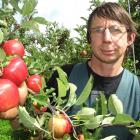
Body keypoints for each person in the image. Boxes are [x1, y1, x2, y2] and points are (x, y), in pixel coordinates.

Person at [47, 2, 139, 140]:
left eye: (116, 30)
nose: (107, 39)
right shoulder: (63, 77)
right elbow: (39, 126)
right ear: (90, 39)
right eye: (98, 30)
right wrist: (16, 117)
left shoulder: (137, 88)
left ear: (130, 38)